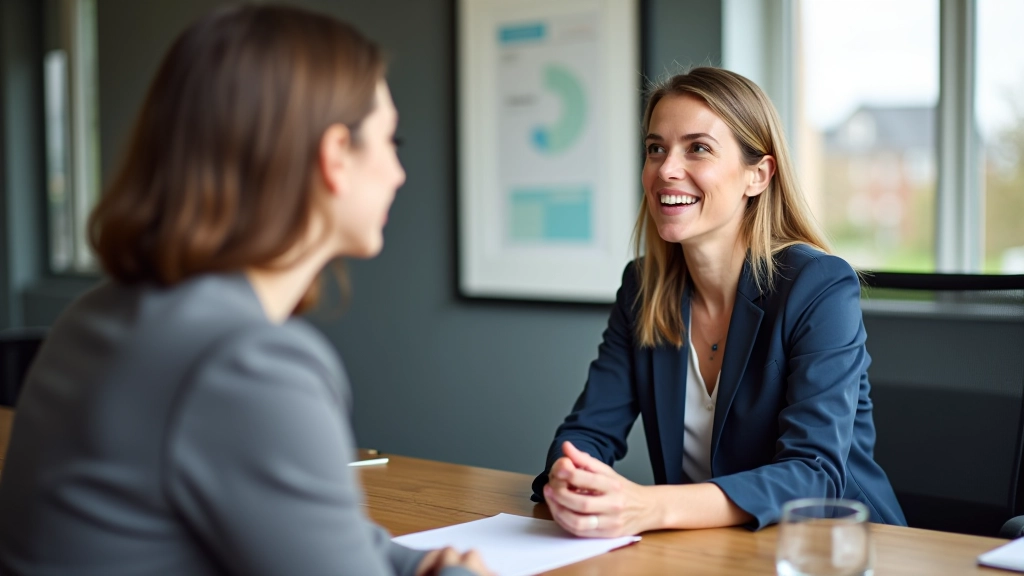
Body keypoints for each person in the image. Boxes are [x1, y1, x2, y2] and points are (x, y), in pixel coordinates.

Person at [0, 5, 489, 576]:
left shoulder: (99, 313)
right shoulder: (245, 364)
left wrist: (418, 565)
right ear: (335, 155)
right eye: (390, 140)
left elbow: (311, 534)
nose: (399, 172)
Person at [532, 67, 907, 537]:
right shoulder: (643, 288)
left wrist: (648, 507)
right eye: (655, 149)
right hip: (708, 549)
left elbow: (813, 474)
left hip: (832, 547)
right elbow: (588, 431)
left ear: (758, 175)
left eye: (698, 148)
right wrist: (570, 475)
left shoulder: (818, 286)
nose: (666, 169)